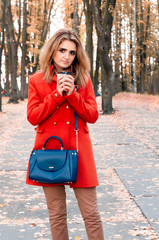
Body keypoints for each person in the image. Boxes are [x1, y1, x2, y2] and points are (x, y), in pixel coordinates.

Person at [26, 28, 104, 240]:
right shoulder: (37, 80)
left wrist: (73, 95)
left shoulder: (84, 79)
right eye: (62, 50)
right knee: (57, 215)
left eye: (72, 52)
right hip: (49, 151)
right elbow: (33, 116)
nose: (66, 56)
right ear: (52, 51)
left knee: (91, 214)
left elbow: (92, 115)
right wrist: (57, 95)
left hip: (81, 151)